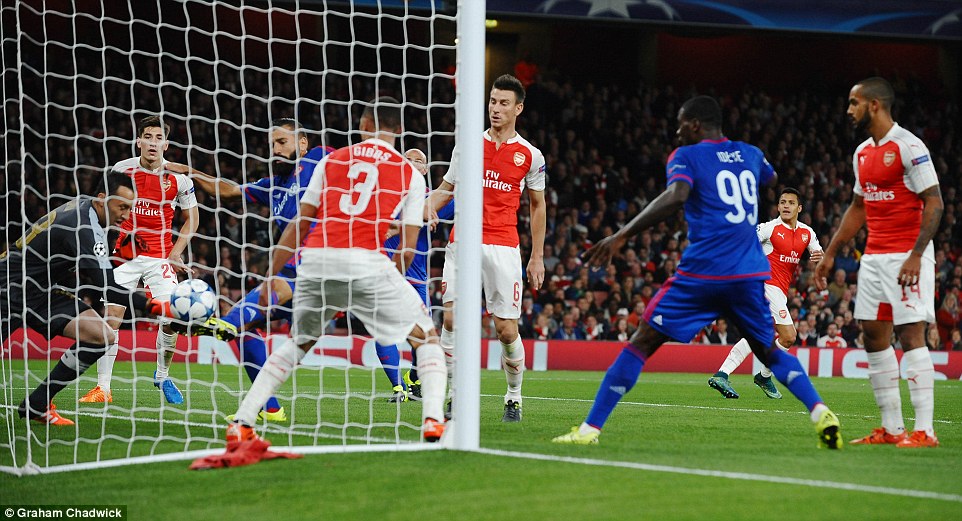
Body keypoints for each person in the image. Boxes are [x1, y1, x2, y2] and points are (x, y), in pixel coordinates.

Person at [552, 95, 841, 448]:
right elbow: (771, 176)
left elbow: (676, 195)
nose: (676, 133)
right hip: (748, 275)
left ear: (693, 125)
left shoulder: (686, 155)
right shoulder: (750, 153)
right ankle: (820, 411)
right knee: (770, 350)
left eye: (679, 125)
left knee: (641, 342)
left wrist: (621, 235)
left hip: (703, 271)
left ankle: (589, 430)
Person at [215, 97, 447, 464]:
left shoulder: (330, 160)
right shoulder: (411, 174)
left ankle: (243, 421)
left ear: (363, 125)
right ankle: (433, 418)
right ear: (399, 130)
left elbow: (300, 223)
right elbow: (407, 248)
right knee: (426, 337)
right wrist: (394, 281)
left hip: (317, 261)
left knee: (298, 343)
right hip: (367, 262)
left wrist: (271, 275)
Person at [1, 173, 203, 425]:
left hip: (39, 292)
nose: (126, 215)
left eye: (130, 208)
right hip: (9, 287)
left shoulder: (85, 210)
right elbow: (109, 287)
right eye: (122, 207)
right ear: (101, 199)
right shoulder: (84, 227)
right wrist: (158, 307)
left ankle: (38, 403)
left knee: (101, 336)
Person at [175, 118, 334, 422]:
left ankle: (223, 323)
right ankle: (270, 409)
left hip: (317, 266)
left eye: (282, 142)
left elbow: (359, 165)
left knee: (244, 313)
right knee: (248, 327)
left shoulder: (318, 159)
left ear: (302, 144)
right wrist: (190, 172)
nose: (275, 149)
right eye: (272, 145)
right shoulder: (273, 186)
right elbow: (228, 191)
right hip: (292, 271)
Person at [815, 77, 943, 448]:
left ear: (874, 105)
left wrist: (916, 255)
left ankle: (925, 431)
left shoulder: (908, 146)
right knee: (873, 335)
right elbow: (859, 207)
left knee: (910, 334)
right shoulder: (861, 153)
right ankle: (892, 428)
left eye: (853, 103)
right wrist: (831, 251)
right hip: (873, 256)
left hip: (907, 255)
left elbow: (934, 202)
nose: (848, 110)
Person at [428, 74, 547, 422]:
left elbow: (537, 205)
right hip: (462, 242)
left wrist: (537, 257)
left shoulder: (530, 155)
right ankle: (454, 395)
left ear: (518, 108)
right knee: (451, 318)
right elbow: (446, 189)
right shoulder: (467, 145)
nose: (495, 108)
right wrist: (424, 208)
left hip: (503, 246)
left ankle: (514, 396)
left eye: (503, 103)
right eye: (493, 101)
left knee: (506, 330)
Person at [78, 115, 201, 406]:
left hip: (160, 257)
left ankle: (162, 375)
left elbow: (192, 219)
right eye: (148, 137)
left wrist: (176, 251)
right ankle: (103, 388)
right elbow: (101, 206)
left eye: (159, 138)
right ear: (138, 141)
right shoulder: (122, 169)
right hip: (125, 255)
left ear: (166, 144)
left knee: (171, 317)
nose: (153, 143)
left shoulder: (179, 178)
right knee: (112, 318)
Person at [708, 187, 823, 399]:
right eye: (782, 202)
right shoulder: (769, 228)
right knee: (788, 336)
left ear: (799, 208)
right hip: (764, 285)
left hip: (779, 290)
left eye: (791, 203)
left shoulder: (807, 233)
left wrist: (820, 259)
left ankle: (725, 374)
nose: (786, 206)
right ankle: (762, 375)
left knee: (759, 335)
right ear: (778, 206)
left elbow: (818, 253)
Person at [375, 148, 455, 402]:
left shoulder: (432, 199)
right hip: (387, 273)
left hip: (417, 278)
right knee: (383, 329)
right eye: (406, 159)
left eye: (417, 160)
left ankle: (413, 377)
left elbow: (457, 204)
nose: (411, 163)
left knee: (424, 334)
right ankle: (398, 388)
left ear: (425, 169)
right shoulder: (384, 193)